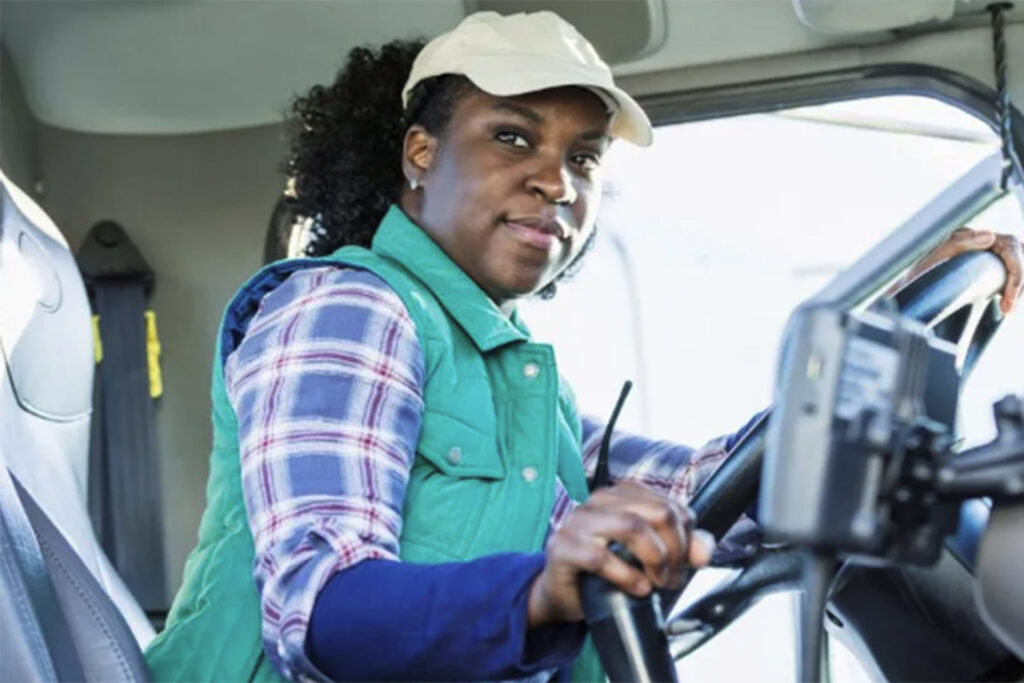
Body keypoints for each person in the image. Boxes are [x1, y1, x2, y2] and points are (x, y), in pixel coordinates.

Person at [144, 10, 1024, 683]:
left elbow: (727, 483)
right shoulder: (347, 308)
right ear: (420, 153)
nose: (557, 180)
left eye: (587, 158)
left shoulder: (525, 381)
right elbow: (317, 604)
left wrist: (896, 333)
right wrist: (539, 590)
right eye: (514, 137)